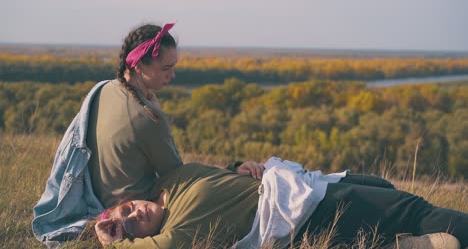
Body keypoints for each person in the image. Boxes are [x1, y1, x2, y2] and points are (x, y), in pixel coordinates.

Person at [32, 23, 263, 246]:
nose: (172, 75)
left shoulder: (105, 89)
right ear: (140, 66)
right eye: (166, 68)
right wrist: (229, 173)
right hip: (141, 213)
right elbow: (178, 177)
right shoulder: (147, 118)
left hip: (107, 204)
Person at [93, 159, 467, 248]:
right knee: (418, 211)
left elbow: (219, 175)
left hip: (309, 182)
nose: (136, 214)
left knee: (382, 184)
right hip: (308, 211)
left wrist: (238, 165)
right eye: (132, 226)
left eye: (127, 210)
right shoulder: (176, 236)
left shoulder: (171, 180)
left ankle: (394, 243)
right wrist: (108, 235)